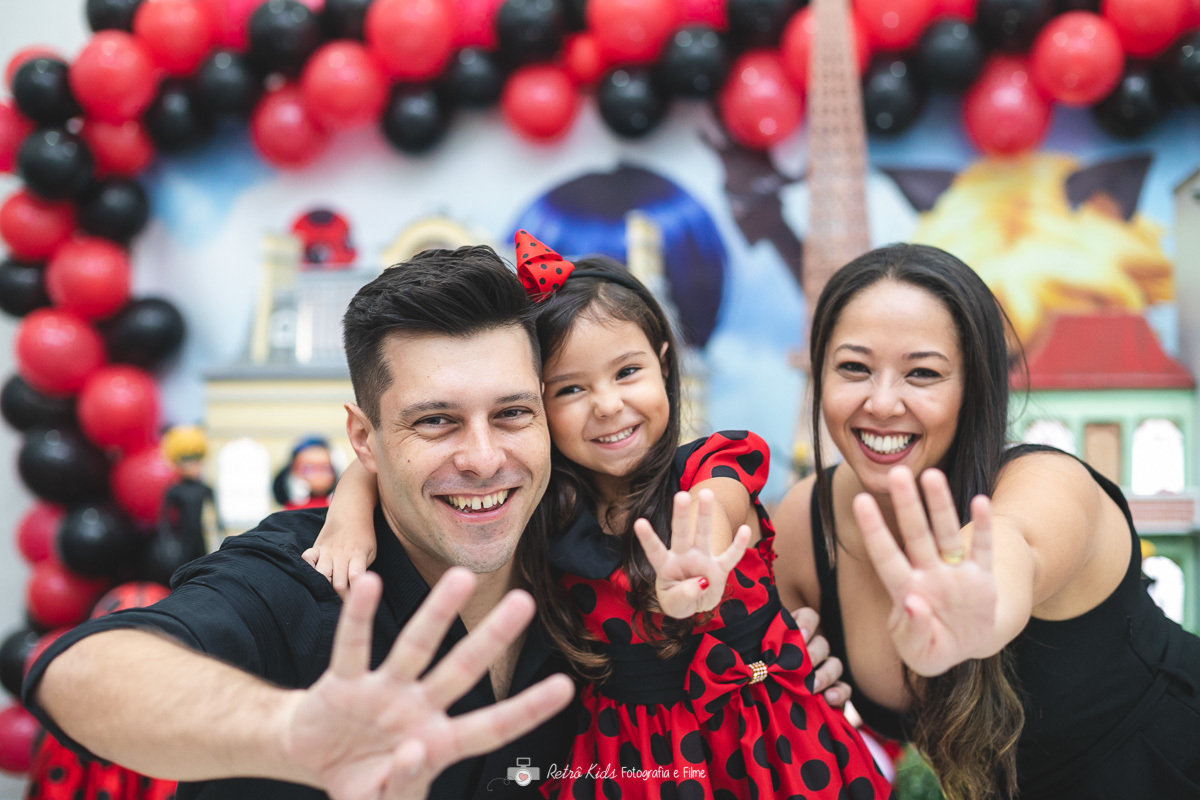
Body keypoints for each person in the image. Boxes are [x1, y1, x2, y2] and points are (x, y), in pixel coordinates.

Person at [306, 231, 893, 799]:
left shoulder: (712, 466)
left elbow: (715, 508)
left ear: (664, 363)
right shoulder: (543, 509)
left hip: (768, 741)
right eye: (570, 390)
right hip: (630, 759)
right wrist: (348, 515)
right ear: (532, 407)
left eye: (627, 372)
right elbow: (382, 454)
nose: (609, 405)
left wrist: (698, 564)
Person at [22, 246, 578, 800]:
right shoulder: (298, 577)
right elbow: (82, 675)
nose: (483, 459)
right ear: (365, 439)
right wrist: (286, 730)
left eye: (512, 414)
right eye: (436, 421)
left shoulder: (590, 565)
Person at [769, 243, 1200, 800]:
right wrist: (785, 676)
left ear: (973, 387)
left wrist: (982, 604)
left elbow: (1015, 545)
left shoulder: (1048, 483)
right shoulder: (806, 520)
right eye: (853, 367)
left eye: (922, 373)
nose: (880, 402)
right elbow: (748, 674)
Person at [272, 435, 339, 510]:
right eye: (308, 469)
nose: (318, 475)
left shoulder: (340, 508)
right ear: (293, 472)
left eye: (326, 468)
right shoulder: (289, 513)